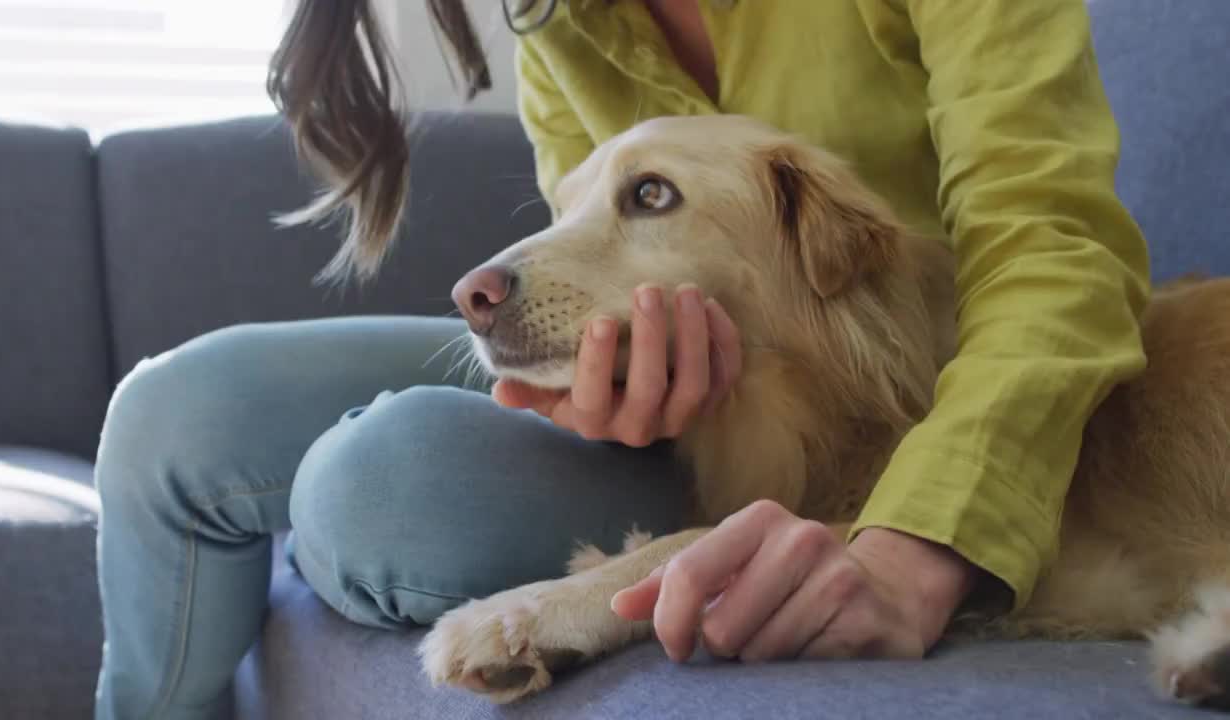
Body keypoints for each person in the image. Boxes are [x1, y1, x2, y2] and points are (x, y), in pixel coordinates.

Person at [92, 0, 1151, 717]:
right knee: (172, 416)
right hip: (693, 435)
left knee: (376, 490)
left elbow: (1049, 239)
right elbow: (579, 259)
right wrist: (599, 401)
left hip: (902, 401)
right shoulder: (553, 15)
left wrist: (919, 544)